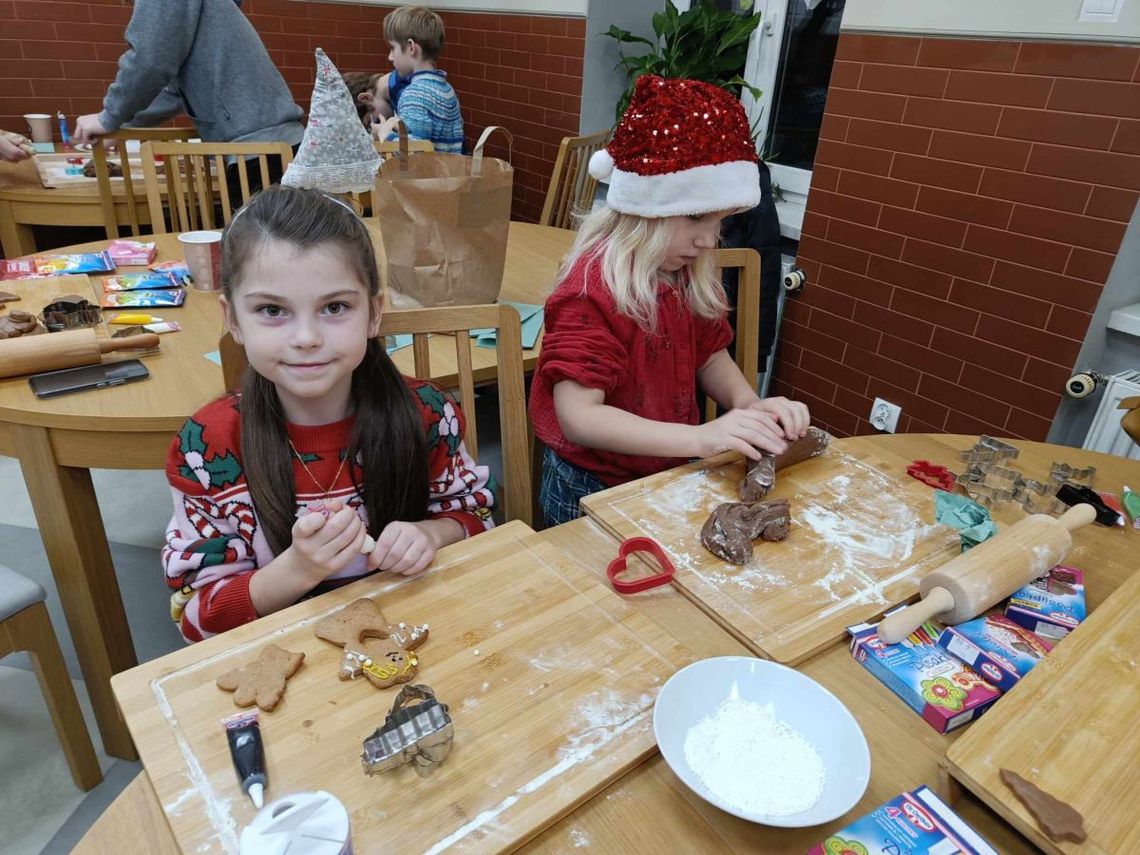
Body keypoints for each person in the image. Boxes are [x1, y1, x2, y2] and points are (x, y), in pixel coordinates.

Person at [163, 186, 494, 642]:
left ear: (374, 313)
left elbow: (480, 522)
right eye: (272, 310)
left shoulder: (429, 415)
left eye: (334, 307)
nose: (306, 337)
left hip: (423, 634)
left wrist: (432, 535)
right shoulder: (207, 445)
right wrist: (296, 570)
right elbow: (195, 619)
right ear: (234, 319)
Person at [528, 75, 812, 528]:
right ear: (645, 207)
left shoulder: (686, 271)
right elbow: (580, 418)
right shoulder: (592, 289)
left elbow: (709, 355)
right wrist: (701, 438)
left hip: (665, 472)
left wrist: (746, 403)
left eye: (720, 220)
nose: (708, 239)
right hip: (592, 491)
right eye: (696, 216)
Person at [72, 0, 304, 197]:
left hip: (259, 151)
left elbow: (149, 61)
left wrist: (109, 117)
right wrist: (121, 124)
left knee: (259, 247)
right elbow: (173, 92)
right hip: (272, 146)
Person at [360, 6, 464, 153]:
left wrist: (383, 134)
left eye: (392, 48)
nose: (390, 57)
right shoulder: (446, 89)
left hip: (429, 175)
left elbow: (414, 155)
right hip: (449, 173)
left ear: (411, 47)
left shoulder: (415, 94)